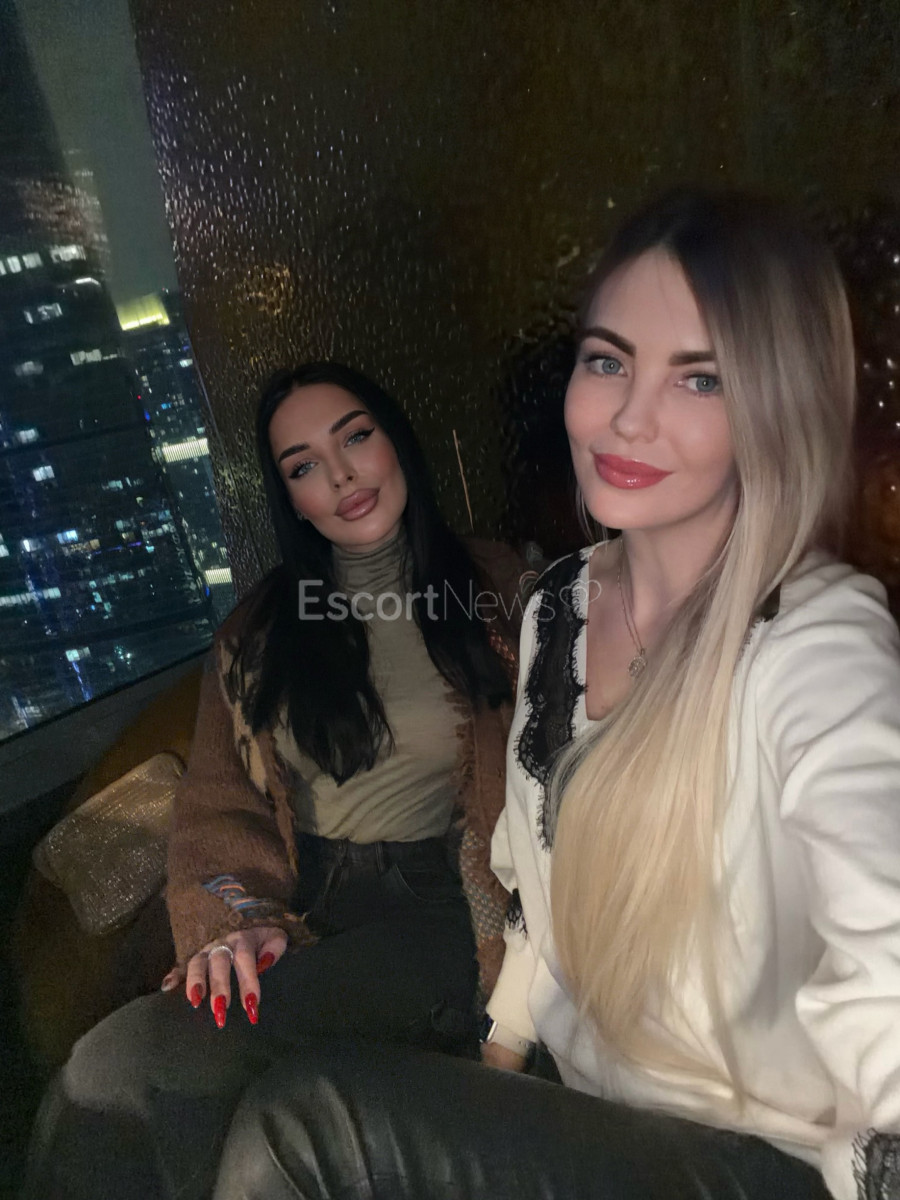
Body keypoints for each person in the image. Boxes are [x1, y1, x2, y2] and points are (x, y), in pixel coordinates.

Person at [208, 191, 900, 1200]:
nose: (629, 416)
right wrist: (233, 912)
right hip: (585, 1107)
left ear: (777, 405)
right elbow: (540, 888)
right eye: (608, 361)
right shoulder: (552, 608)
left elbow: (884, 947)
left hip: (755, 1149)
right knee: (140, 1070)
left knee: (298, 1129)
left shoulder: (815, 644)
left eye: (700, 376)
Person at [24, 361, 523, 1200]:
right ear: (290, 498)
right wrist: (233, 923)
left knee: (122, 1069)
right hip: (305, 899)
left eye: (356, 437)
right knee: (151, 1091)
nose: (342, 476)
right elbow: (216, 809)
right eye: (303, 466)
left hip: (443, 909)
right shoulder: (258, 629)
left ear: (396, 440)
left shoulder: (500, 590)